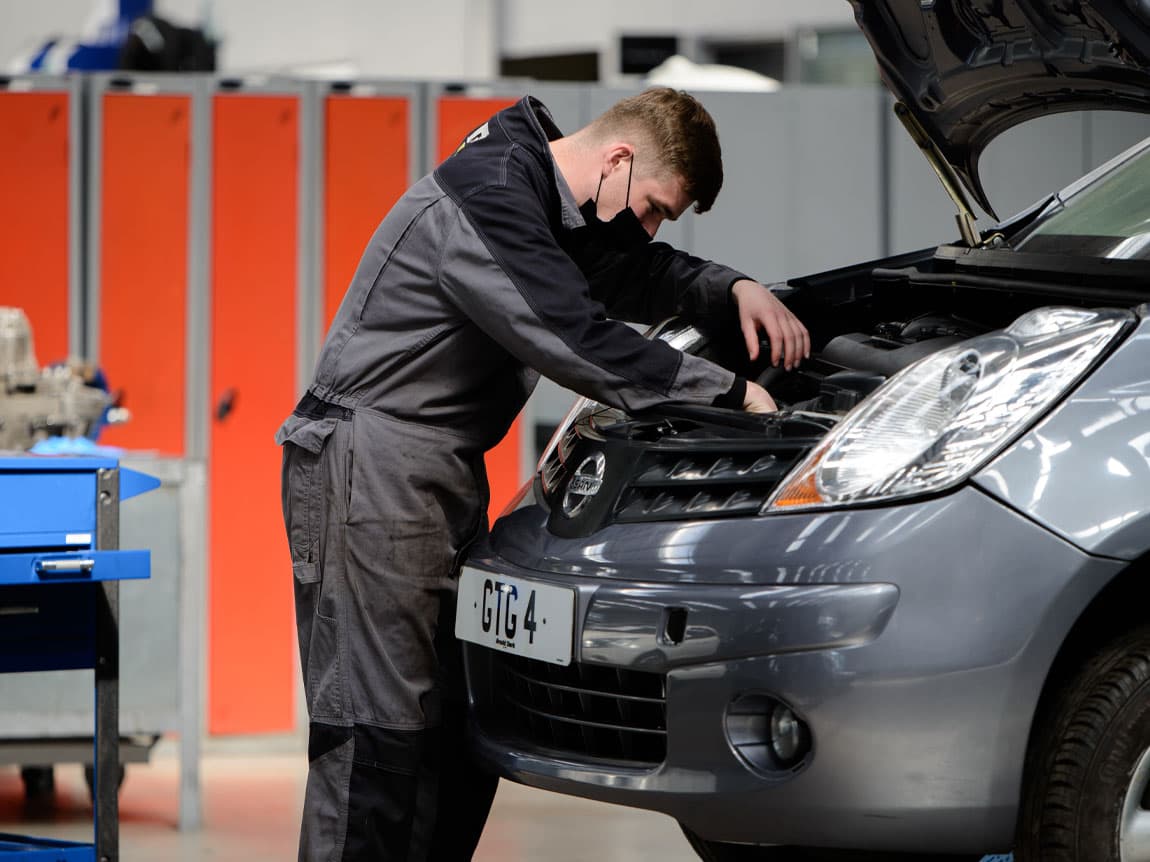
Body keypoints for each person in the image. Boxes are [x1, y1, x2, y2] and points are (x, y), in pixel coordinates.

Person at [276, 87, 809, 862]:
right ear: (619, 159)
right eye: (655, 206)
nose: (651, 227)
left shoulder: (545, 196)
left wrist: (729, 288)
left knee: (453, 741)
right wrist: (728, 393)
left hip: (434, 470)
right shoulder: (492, 194)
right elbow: (572, 335)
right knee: (377, 736)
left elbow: (633, 271)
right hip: (373, 467)